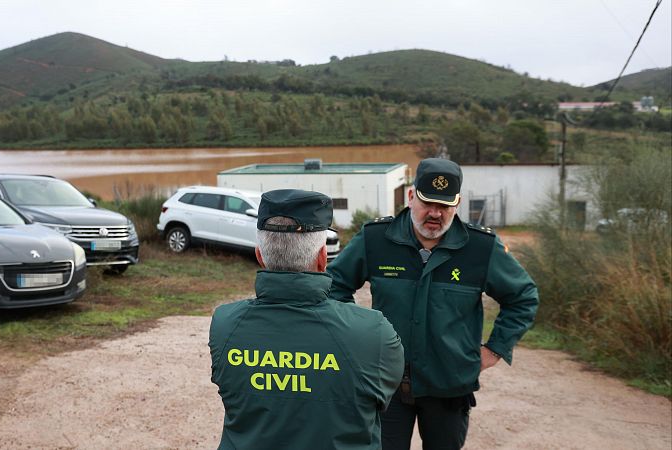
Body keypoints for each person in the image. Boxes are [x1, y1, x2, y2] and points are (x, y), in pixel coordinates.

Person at [327, 159, 539, 449]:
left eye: (445, 206)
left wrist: (495, 349)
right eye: (428, 203)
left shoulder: (480, 248)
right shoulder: (376, 239)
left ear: (458, 204)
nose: (435, 214)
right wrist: (355, 338)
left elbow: (523, 296)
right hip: (385, 383)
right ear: (412, 196)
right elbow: (333, 285)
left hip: (449, 386)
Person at [209, 189, 405, 450]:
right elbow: (384, 394)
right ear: (323, 258)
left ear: (259, 254)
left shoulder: (225, 324)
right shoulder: (374, 332)